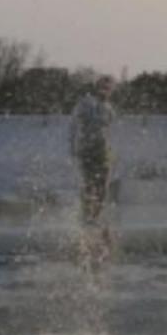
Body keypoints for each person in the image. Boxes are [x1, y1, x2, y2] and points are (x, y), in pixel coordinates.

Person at [70, 76, 116, 226]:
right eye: (103, 87)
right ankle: (86, 217)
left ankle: (95, 218)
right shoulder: (86, 103)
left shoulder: (109, 108)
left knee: (103, 186)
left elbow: (108, 130)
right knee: (89, 184)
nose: (105, 91)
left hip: (102, 150)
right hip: (87, 149)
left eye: (108, 88)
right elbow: (74, 126)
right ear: (96, 88)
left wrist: (111, 151)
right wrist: (73, 148)